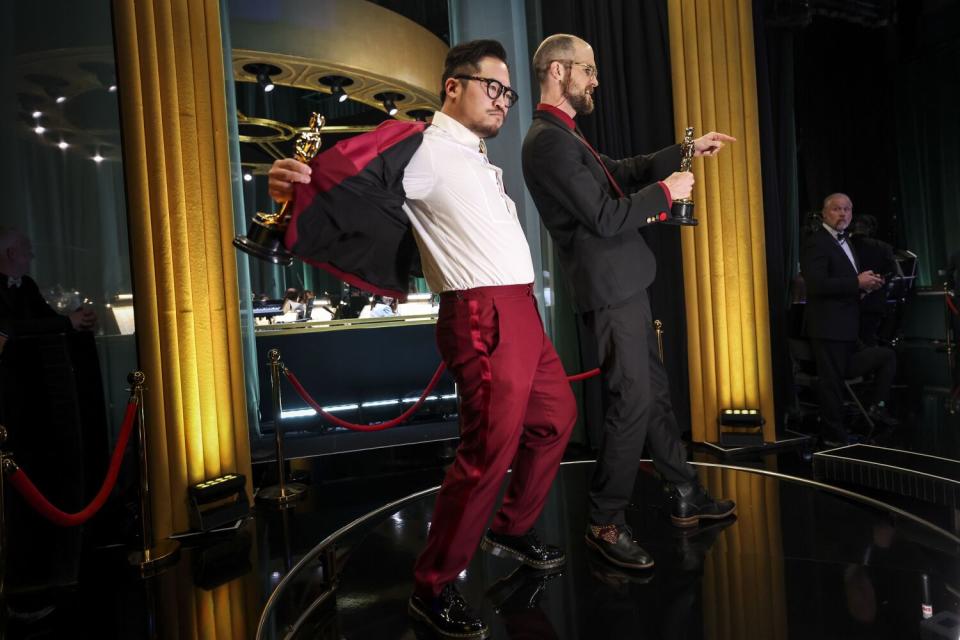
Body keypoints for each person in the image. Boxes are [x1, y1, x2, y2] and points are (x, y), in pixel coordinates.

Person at [267, 40, 576, 639]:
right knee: (486, 451)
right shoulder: (421, 145)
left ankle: (510, 527)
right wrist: (291, 187)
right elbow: (334, 178)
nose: (504, 101)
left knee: (556, 417)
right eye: (494, 87)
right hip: (481, 314)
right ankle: (432, 587)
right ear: (453, 86)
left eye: (509, 92)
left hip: (522, 313)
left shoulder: (477, 157)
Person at [521, 34, 736, 571]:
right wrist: (669, 192)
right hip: (611, 292)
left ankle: (684, 493)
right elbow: (605, 215)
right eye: (588, 70)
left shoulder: (567, 136)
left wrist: (684, 152)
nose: (595, 80)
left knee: (655, 396)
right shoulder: (547, 142)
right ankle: (604, 520)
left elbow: (620, 169)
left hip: (625, 286)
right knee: (631, 403)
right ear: (557, 71)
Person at [799, 193, 898, 444]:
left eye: (847, 209)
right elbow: (817, 285)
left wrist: (863, 289)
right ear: (824, 213)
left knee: (886, 356)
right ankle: (834, 436)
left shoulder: (847, 242)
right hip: (828, 327)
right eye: (836, 209)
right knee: (831, 383)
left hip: (847, 326)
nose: (843, 214)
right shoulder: (816, 242)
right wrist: (856, 282)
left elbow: (841, 284)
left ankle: (876, 407)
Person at [0, 228, 97, 335]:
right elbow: (9, 328)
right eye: (27, 251)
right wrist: (69, 321)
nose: (32, 256)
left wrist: (81, 320)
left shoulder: (27, 284)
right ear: (12, 253)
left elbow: (48, 317)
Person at [849, 214, 897, 346]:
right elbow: (892, 272)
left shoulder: (842, 246)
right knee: (869, 341)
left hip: (846, 302)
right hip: (873, 303)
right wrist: (875, 284)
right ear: (871, 229)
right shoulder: (883, 247)